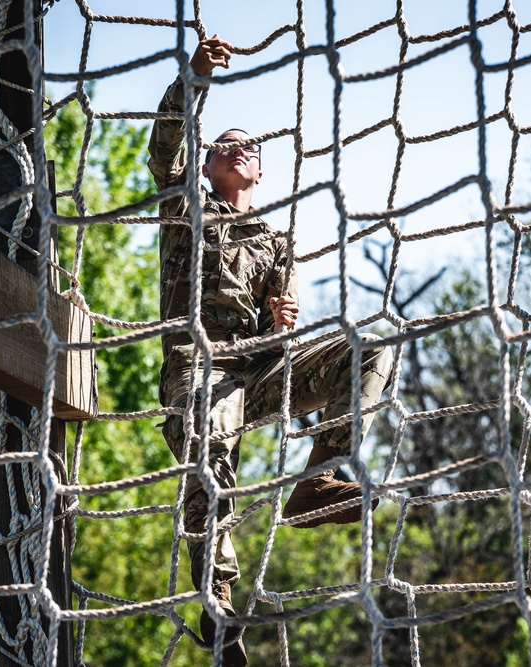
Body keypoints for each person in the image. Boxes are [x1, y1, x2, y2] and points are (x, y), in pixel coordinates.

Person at [147, 35, 393, 666]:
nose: (242, 149)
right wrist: (194, 78)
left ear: (258, 171)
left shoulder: (277, 240)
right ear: (208, 165)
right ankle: (220, 600)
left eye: (250, 147)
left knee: (372, 346)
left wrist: (281, 321)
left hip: (259, 365)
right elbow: (166, 147)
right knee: (211, 445)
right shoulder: (186, 206)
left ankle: (319, 478)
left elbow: (279, 322)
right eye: (227, 144)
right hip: (200, 366)